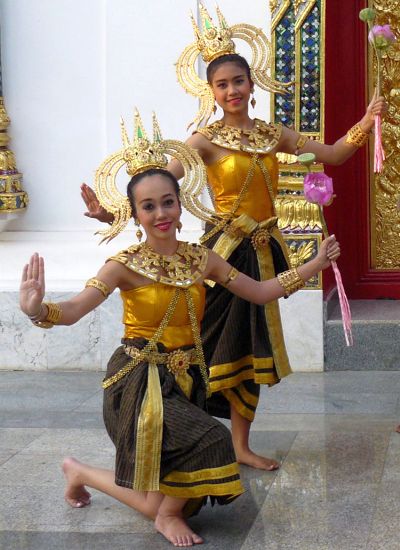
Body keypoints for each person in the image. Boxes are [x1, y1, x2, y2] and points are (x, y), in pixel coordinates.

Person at [80, 6, 381, 473]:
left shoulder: (271, 134)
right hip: (220, 252)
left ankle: (239, 445)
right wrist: (110, 213)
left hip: (264, 252)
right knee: (208, 342)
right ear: (211, 91)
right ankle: (180, 433)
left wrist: (366, 121)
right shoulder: (203, 140)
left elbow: (334, 154)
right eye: (222, 84)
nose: (232, 90)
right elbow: (159, 184)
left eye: (238, 81)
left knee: (250, 346)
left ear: (252, 83)